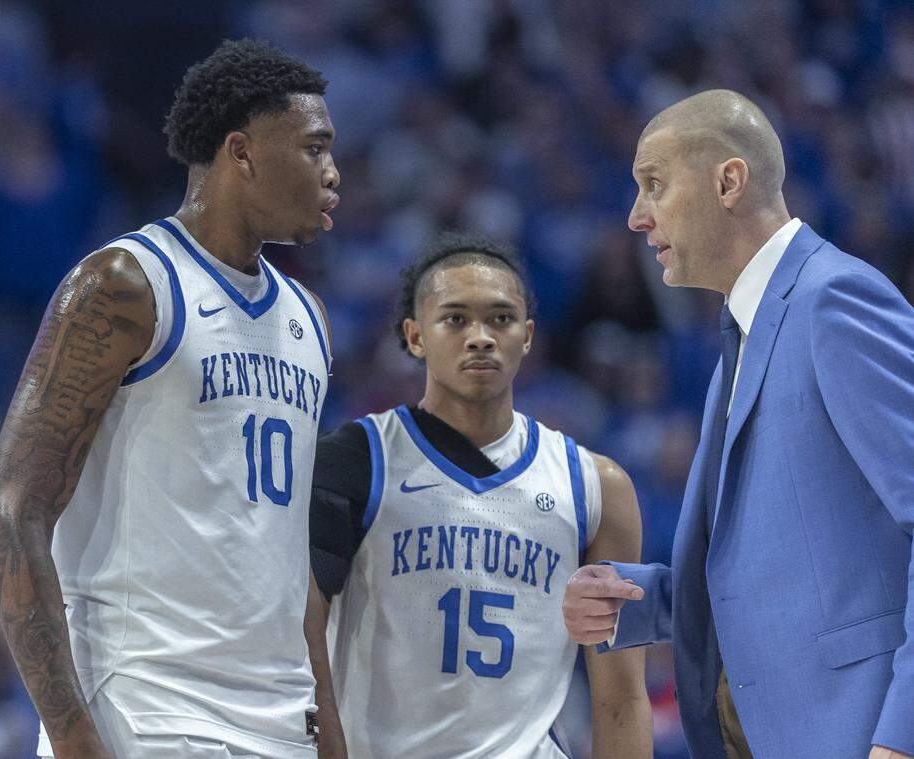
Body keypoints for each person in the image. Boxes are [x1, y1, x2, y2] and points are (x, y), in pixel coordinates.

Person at [0, 38, 340, 759]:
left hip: (279, 718)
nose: (333, 174)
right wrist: (74, 738)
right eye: (314, 149)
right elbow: (12, 516)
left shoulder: (309, 317)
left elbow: (280, 555)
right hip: (148, 713)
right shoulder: (127, 282)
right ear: (241, 152)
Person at [562, 89, 914, 759]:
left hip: (858, 735)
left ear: (728, 181)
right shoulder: (740, 342)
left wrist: (900, 737)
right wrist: (635, 601)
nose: (636, 216)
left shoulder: (832, 299)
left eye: (653, 185)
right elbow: (778, 573)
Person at [306, 233, 652, 758]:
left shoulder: (596, 487)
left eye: (500, 319)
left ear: (528, 336)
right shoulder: (355, 460)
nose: (480, 337)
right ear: (415, 336)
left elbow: (622, 696)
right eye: (455, 319)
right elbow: (300, 641)